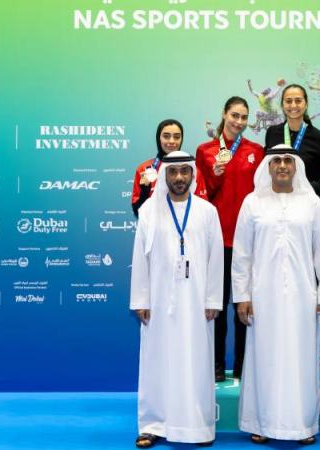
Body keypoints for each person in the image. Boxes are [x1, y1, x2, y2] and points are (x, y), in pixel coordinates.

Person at [231, 144, 320, 445]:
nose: (282, 166)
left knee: (301, 359)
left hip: (303, 295)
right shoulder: (253, 202)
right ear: (268, 167)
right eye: (276, 161)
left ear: (296, 166)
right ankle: (261, 423)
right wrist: (242, 296)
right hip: (262, 296)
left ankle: (302, 425)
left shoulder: (311, 202)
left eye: (288, 160)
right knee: (264, 358)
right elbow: (242, 254)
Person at [129, 151, 224, 448]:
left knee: (195, 361)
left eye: (185, 171)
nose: (179, 177)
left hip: (197, 302)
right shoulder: (149, 211)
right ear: (165, 175)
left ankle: (197, 426)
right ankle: (152, 424)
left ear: (193, 174)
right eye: (173, 172)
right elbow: (139, 257)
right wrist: (141, 299)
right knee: (156, 360)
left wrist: (213, 300)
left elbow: (216, 258)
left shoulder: (207, 211)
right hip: (158, 301)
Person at [195, 97, 265, 382]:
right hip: (218, 240)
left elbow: (261, 196)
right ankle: (215, 366)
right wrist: (214, 176)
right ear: (224, 114)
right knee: (218, 306)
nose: (238, 121)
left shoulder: (256, 151)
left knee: (245, 306)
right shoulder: (205, 151)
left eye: (244, 117)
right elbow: (201, 195)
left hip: (248, 241)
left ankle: (243, 366)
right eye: (234, 115)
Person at [265, 84, 320, 204]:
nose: (293, 105)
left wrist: (313, 190)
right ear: (282, 105)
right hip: (277, 203)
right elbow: (266, 169)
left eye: (298, 101)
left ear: (306, 104)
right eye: (288, 101)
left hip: (309, 205)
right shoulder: (272, 133)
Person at [131, 119, 184, 216]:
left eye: (176, 137)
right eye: (166, 136)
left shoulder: (192, 170)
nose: (172, 141)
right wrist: (144, 193)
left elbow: (201, 209)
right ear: (158, 138)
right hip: (153, 225)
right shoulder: (144, 169)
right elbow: (137, 212)